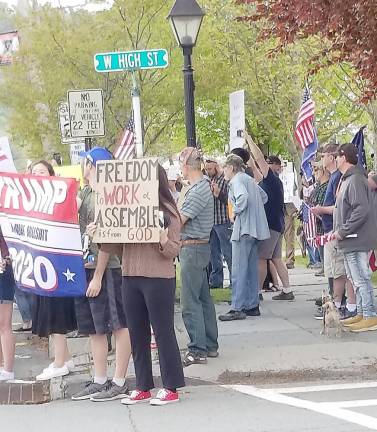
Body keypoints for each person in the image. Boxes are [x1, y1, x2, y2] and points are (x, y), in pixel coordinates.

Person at [102, 165, 184, 406]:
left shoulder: (167, 211)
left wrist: (162, 238)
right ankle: (143, 386)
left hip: (159, 278)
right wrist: (103, 237)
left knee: (163, 332)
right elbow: (120, 249)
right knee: (137, 333)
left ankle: (171, 387)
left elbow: (174, 250)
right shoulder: (127, 211)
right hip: (130, 277)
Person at [71, 147, 131, 402]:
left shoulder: (108, 195)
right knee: (94, 327)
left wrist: (98, 275)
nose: (83, 167)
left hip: (107, 268)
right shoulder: (85, 193)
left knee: (117, 324)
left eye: (86, 162)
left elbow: (106, 241)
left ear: (93, 164)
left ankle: (119, 379)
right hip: (84, 266)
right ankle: (99, 378)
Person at [31, 160, 76, 381]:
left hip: (57, 264)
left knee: (57, 312)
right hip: (40, 265)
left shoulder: (60, 198)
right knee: (48, 311)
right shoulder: (29, 202)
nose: (38, 175)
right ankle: (64, 358)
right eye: (34, 172)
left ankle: (60, 361)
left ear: (51, 174)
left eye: (42, 171)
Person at [178, 147, 218, 366]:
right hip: (198, 247)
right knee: (203, 298)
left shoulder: (198, 190)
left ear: (186, 166)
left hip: (192, 248)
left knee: (189, 300)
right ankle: (210, 344)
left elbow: (180, 219)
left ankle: (197, 349)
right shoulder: (200, 187)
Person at [218, 154, 269, 321]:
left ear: (232, 167)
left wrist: (236, 213)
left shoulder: (236, 181)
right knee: (251, 268)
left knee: (239, 269)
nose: (224, 170)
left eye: (225, 167)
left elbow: (243, 198)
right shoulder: (248, 179)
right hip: (255, 229)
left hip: (243, 228)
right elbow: (263, 197)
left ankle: (237, 307)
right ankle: (252, 304)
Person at [332, 143, 377, 332]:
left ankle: (370, 315)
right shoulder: (349, 179)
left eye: (337, 156)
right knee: (354, 277)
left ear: (344, 157)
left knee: (361, 278)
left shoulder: (356, 179)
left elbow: (361, 209)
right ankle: (361, 311)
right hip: (349, 238)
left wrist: (343, 230)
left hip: (355, 237)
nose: (335, 159)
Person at [245, 133, 295, 301]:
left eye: (267, 164)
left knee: (261, 258)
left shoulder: (272, 179)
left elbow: (258, 159)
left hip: (270, 225)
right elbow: (254, 166)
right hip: (277, 224)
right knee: (275, 258)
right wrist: (247, 154)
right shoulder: (269, 181)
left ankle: (257, 292)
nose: (264, 165)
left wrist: (249, 138)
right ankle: (287, 290)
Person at [311, 144, 356, 318]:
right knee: (331, 270)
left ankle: (340, 304)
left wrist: (322, 209)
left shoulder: (340, 177)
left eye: (325, 156)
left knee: (339, 271)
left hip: (337, 229)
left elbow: (339, 207)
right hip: (330, 228)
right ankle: (334, 304)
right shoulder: (334, 177)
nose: (323, 160)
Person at [204, 159, 232, 289]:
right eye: (207, 169)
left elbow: (229, 200)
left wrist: (218, 193)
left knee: (228, 252)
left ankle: (234, 280)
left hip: (223, 220)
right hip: (212, 221)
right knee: (214, 253)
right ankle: (216, 280)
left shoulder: (225, 180)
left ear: (216, 167)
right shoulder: (209, 180)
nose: (208, 171)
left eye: (210, 168)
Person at [0, 227, 16, 382]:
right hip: (5, 268)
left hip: (4, 271)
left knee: (4, 324)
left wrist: (6, 257)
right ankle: (3, 367)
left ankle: (8, 369)